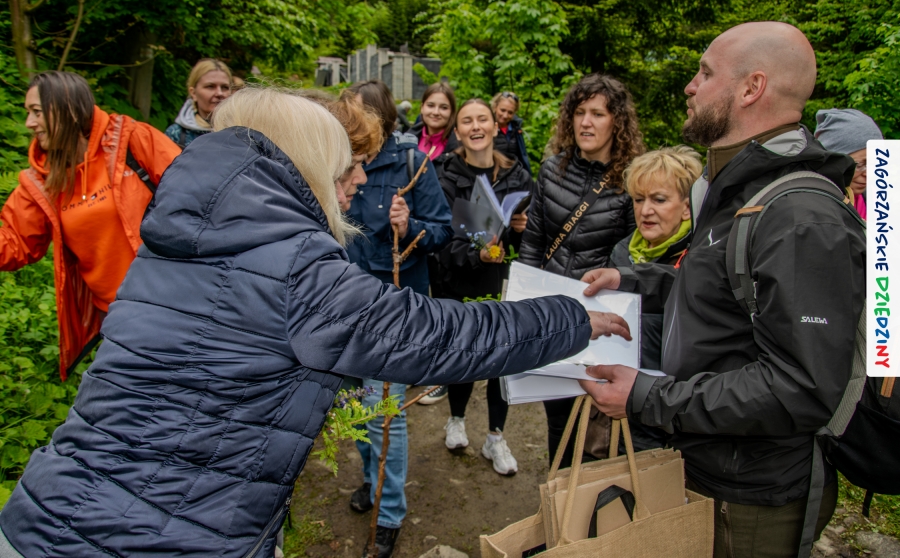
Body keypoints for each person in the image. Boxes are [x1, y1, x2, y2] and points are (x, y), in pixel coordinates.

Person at [0, 86, 632, 558]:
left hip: (49, 511)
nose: (357, 177)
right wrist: (571, 317)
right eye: (342, 163)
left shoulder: (173, 245)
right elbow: (437, 337)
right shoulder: (294, 267)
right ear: (303, 162)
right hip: (160, 539)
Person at [578, 22, 866, 558]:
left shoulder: (800, 217)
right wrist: (635, 280)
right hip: (708, 466)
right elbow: (729, 294)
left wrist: (645, 396)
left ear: (752, 88)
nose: (690, 86)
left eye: (705, 73)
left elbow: (799, 387)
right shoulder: (737, 188)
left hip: (750, 497)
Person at [0, 71, 180, 380]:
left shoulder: (131, 140)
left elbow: (195, 191)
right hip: (119, 317)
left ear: (68, 109)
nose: (29, 123)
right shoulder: (43, 180)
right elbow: (14, 242)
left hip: (177, 301)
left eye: (37, 112)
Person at [341, 80, 454, 556]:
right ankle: (372, 480)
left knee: (384, 413)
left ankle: (389, 513)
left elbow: (442, 231)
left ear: (381, 119)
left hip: (393, 307)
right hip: (343, 305)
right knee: (355, 406)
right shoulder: (338, 160)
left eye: (358, 116)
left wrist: (410, 228)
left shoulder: (413, 163)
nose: (349, 124)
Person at [517, 73, 645, 468]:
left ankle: (591, 495)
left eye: (598, 114)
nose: (586, 122)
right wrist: (525, 303)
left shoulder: (630, 181)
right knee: (557, 416)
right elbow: (533, 242)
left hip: (603, 319)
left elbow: (632, 260)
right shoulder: (552, 170)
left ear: (617, 122)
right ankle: (559, 490)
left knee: (597, 421)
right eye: (579, 112)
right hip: (554, 312)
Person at [429, 99, 534, 475]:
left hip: (502, 280)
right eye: (467, 121)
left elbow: (531, 238)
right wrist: (477, 256)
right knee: (464, 354)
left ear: (494, 126)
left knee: (502, 359)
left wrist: (521, 231)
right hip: (457, 279)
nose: (476, 126)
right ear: (457, 132)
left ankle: (495, 436)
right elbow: (439, 239)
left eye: (482, 119)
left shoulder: (517, 174)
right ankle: (456, 419)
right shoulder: (443, 175)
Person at [608, 146, 702, 451]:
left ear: (686, 208)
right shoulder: (622, 251)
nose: (645, 210)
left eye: (659, 200)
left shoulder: (700, 258)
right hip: (621, 403)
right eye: (639, 199)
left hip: (673, 413)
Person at [814, 108, 883, 220]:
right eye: (860, 165)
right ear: (832, 161)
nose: (869, 173)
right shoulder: (813, 210)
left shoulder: (875, 201)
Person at [165, 58, 233, 148]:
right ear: (193, 93)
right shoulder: (176, 134)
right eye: (210, 86)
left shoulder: (241, 132)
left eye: (225, 87)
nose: (219, 93)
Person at [410, 82, 459, 159]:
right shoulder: (407, 141)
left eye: (444, 107)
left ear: (452, 112)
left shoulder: (460, 148)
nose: (436, 112)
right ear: (422, 108)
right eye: (430, 105)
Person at [490, 91, 530, 172]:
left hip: (515, 174)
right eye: (502, 110)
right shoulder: (487, 128)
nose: (505, 115)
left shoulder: (516, 129)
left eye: (510, 112)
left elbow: (522, 157)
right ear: (495, 107)